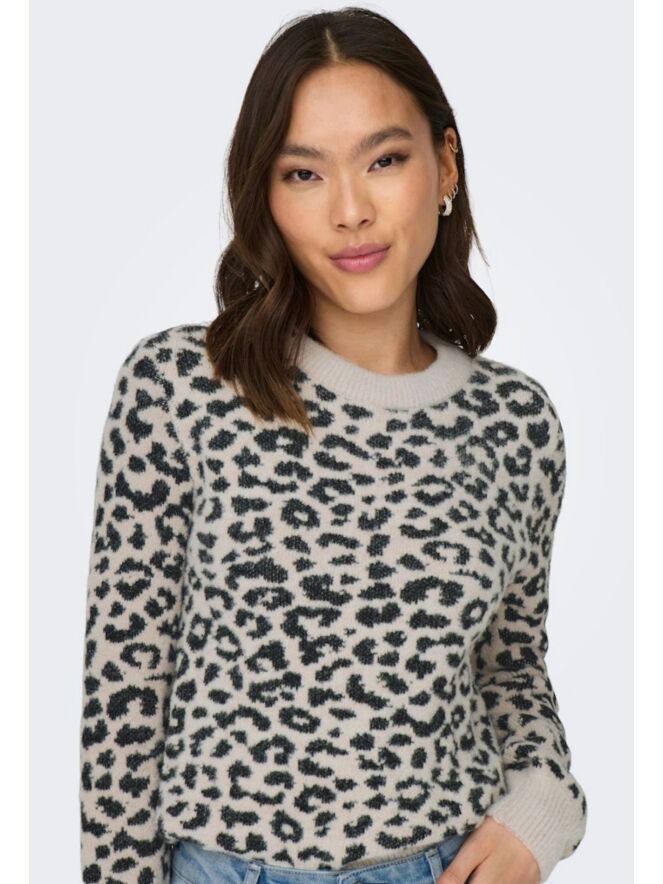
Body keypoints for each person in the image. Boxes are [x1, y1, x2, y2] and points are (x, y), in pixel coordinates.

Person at [78, 8, 588, 884]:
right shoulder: (180, 387)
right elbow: (123, 697)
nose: (350, 211)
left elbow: (509, 670)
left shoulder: (514, 423)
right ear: (266, 196)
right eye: (304, 173)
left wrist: (544, 807)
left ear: (445, 165)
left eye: (383, 160)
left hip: (445, 863)